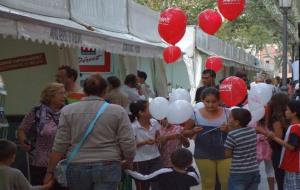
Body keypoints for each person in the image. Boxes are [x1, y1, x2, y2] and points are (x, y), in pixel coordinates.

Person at [43, 74, 136, 190]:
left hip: (77, 165)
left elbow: (60, 144)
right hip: (108, 164)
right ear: (105, 91)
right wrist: (129, 160)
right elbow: (127, 141)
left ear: (84, 91)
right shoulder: (117, 111)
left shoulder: (68, 111)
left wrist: (50, 172)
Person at [17, 83, 66, 186]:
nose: (64, 96)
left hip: (62, 162)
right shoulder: (37, 111)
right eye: (60, 93)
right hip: (40, 161)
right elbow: (21, 129)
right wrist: (23, 142)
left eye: (64, 93)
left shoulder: (68, 111)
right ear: (50, 96)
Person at [193, 87, 231, 190]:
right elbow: (185, 132)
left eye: (214, 101)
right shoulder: (195, 114)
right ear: (202, 100)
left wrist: (228, 129)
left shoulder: (228, 113)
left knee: (226, 183)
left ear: (219, 100)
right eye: (207, 101)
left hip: (225, 153)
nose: (210, 105)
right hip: (203, 154)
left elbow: (237, 132)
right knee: (208, 183)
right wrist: (193, 131)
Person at [260, 100, 300, 190]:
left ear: (294, 113)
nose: (285, 112)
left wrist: (273, 137)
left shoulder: (295, 128)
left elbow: (291, 146)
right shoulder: (295, 126)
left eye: (287, 110)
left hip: (293, 166)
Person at [126, 148, 199, 190]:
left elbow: (144, 178)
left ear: (171, 160)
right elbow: (197, 181)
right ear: (190, 162)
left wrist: (128, 171)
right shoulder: (191, 176)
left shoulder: (164, 172)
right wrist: (190, 167)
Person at [224, 108, 260, 190]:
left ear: (236, 122)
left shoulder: (232, 135)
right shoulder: (252, 131)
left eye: (230, 117)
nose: (228, 119)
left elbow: (227, 154)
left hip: (238, 173)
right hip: (254, 170)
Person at [130, 100, 162, 190]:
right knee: (142, 187)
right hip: (139, 161)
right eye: (149, 108)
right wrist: (144, 142)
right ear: (141, 113)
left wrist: (158, 138)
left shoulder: (154, 122)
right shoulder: (133, 127)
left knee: (158, 184)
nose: (153, 109)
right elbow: (130, 146)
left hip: (156, 157)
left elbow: (158, 134)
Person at [266, 93, 289, 190]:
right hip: (287, 151)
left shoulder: (276, 118)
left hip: (279, 152)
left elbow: (278, 136)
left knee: (280, 179)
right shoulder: (287, 115)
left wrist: (268, 135)